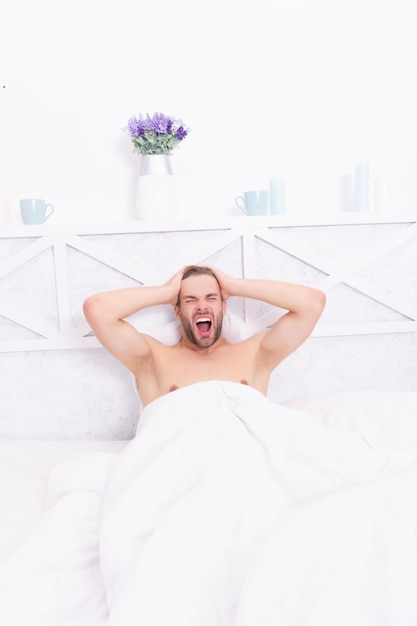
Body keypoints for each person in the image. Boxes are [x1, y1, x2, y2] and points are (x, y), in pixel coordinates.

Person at [83, 265, 326, 407]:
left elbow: (313, 303)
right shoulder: (151, 359)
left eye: (211, 298)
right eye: (190, 300)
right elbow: (97, 309)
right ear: (177, 311)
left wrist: (233, 286)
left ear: (224, 307)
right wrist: (166, 292)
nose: (201, 307)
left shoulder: (257, 354)